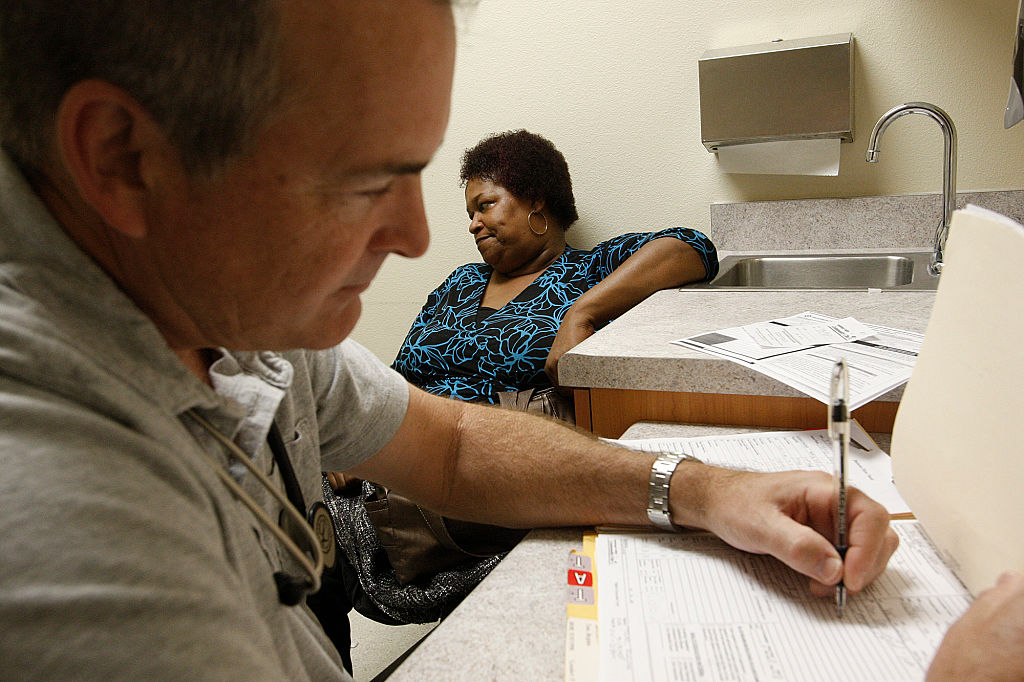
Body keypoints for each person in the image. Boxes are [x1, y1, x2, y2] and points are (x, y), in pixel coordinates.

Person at [0, 1, 900, 680]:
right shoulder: (59, 511)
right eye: (363, 179)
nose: (418, 237)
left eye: (423, 178)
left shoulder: (237, 316)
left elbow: (457, 444)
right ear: (121, 158)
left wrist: (708, 492)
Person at [392, 129, 718, 404]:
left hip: (494, 455)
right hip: (399, 449)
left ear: (535, 200)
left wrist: (580, 314)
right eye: (470, 215)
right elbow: (395, 378)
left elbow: (691, 248)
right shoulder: (461, 282)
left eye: (485, 206)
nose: (474, 224)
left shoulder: (587, 271)